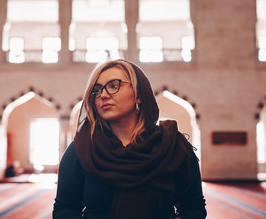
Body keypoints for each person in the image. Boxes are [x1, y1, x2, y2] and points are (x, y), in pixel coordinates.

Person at [53, 59, 207, 219]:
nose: (103, 95)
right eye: (96, 91)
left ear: (139, 94)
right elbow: (64, 209)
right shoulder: (82, 150)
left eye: (113, 86)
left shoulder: (173, 147)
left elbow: (194, 208)